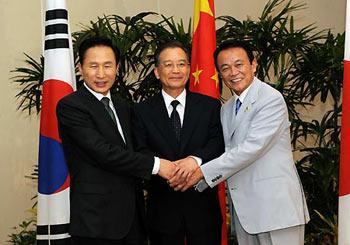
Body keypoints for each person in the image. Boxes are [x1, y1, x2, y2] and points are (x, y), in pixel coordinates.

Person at [174, 40, 310, 245]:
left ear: (253, 65)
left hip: (276, 210)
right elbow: (226, 150)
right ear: (219, 73)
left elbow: (251, 149)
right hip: (246, 213)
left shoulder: (270, 99)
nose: (233, 72)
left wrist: (200, 173)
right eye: (225, 68)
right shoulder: (227, 108)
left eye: (239, 65)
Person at [56, 36, 176, 245]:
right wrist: (158, 165)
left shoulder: (123, 107)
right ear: (80, 67)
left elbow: (137, 149)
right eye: (93, 66)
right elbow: (103, 152)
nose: (101, 74)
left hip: (133, 220)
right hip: (96, 222)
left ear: (117, 68)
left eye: (107, 66)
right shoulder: (71, 106)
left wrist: (181, 166)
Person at [132, 40, 224, 245]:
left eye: (182, 64)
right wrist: (169, 171)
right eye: (168, 64)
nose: (176, 70)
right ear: (157, 72)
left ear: (189, 69)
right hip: (162, 210)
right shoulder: (141, 111)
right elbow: (139, 150)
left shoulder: (209, 106)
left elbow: (218, 142)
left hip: (203, 209)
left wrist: (195, 160)